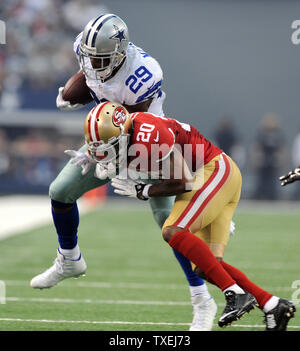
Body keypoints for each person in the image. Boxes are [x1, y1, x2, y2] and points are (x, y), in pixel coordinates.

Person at [29, 14, 217, 331]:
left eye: (99, 60)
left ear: (118, 55)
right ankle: (70, 259)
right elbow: (90, 80)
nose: (91, 66)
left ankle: (203, 301)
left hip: (148, 143)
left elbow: (130, 126)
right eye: (88, 59)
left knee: (169, 225)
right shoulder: (91, 55)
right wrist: (76, 94)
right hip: (107, 138)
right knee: (60, 192)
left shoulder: (143, 74)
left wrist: (113, 160)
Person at [80, 101, 296, 330]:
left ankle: (235, 294)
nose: (102, 152)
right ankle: (273, 305)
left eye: (108, 146)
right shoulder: (128, 133)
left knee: (172, 231)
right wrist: (94, 157)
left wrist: (144, 191)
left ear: (123, 135)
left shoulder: (150, 135)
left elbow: (184, 182)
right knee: (207, 266)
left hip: (213, 171)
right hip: (213, 176)